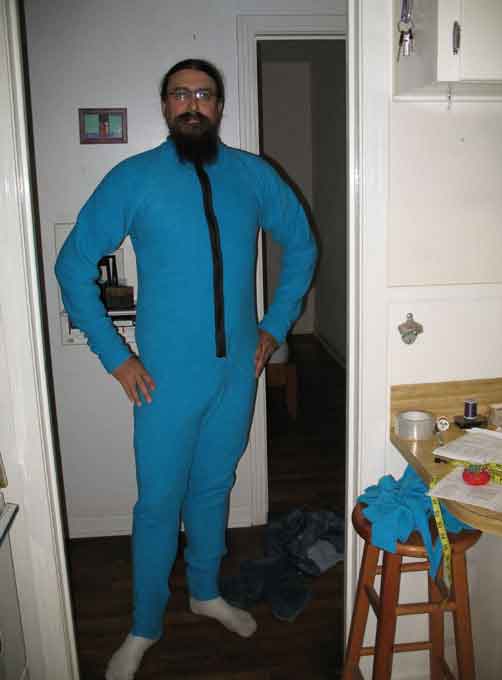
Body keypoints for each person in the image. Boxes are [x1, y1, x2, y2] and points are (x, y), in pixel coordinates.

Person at [55, 58, 317, 680]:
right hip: (166, 381)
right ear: (165, 106)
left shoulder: (252, 176)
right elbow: (72, 266)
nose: (192, 103)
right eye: (180, 94)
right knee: (158, 503)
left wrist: (275, 326)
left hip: (237, 376)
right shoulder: (134, 178)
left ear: (219, 106)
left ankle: (205, 593)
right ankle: (144, 625)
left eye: (204, 94)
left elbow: (302, 244)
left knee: (214, 487)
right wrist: (116, 357)